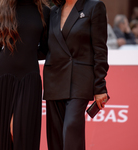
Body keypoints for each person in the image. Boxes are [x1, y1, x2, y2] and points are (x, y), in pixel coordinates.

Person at [0, 0, 50, 149]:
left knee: (21, 132)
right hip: (2, 77)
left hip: (29, 79)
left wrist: (26, 53)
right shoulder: (2, 9)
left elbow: (45, 48)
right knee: (2, 135)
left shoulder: (44, 11)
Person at [43, 0, 109, 150]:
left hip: (80, 80)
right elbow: (46, 47)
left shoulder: (94, 6)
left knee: (71, 128)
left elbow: (100, 49)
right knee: (56, 137)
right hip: (54, 79)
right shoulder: (53, 11)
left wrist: (100, 86)